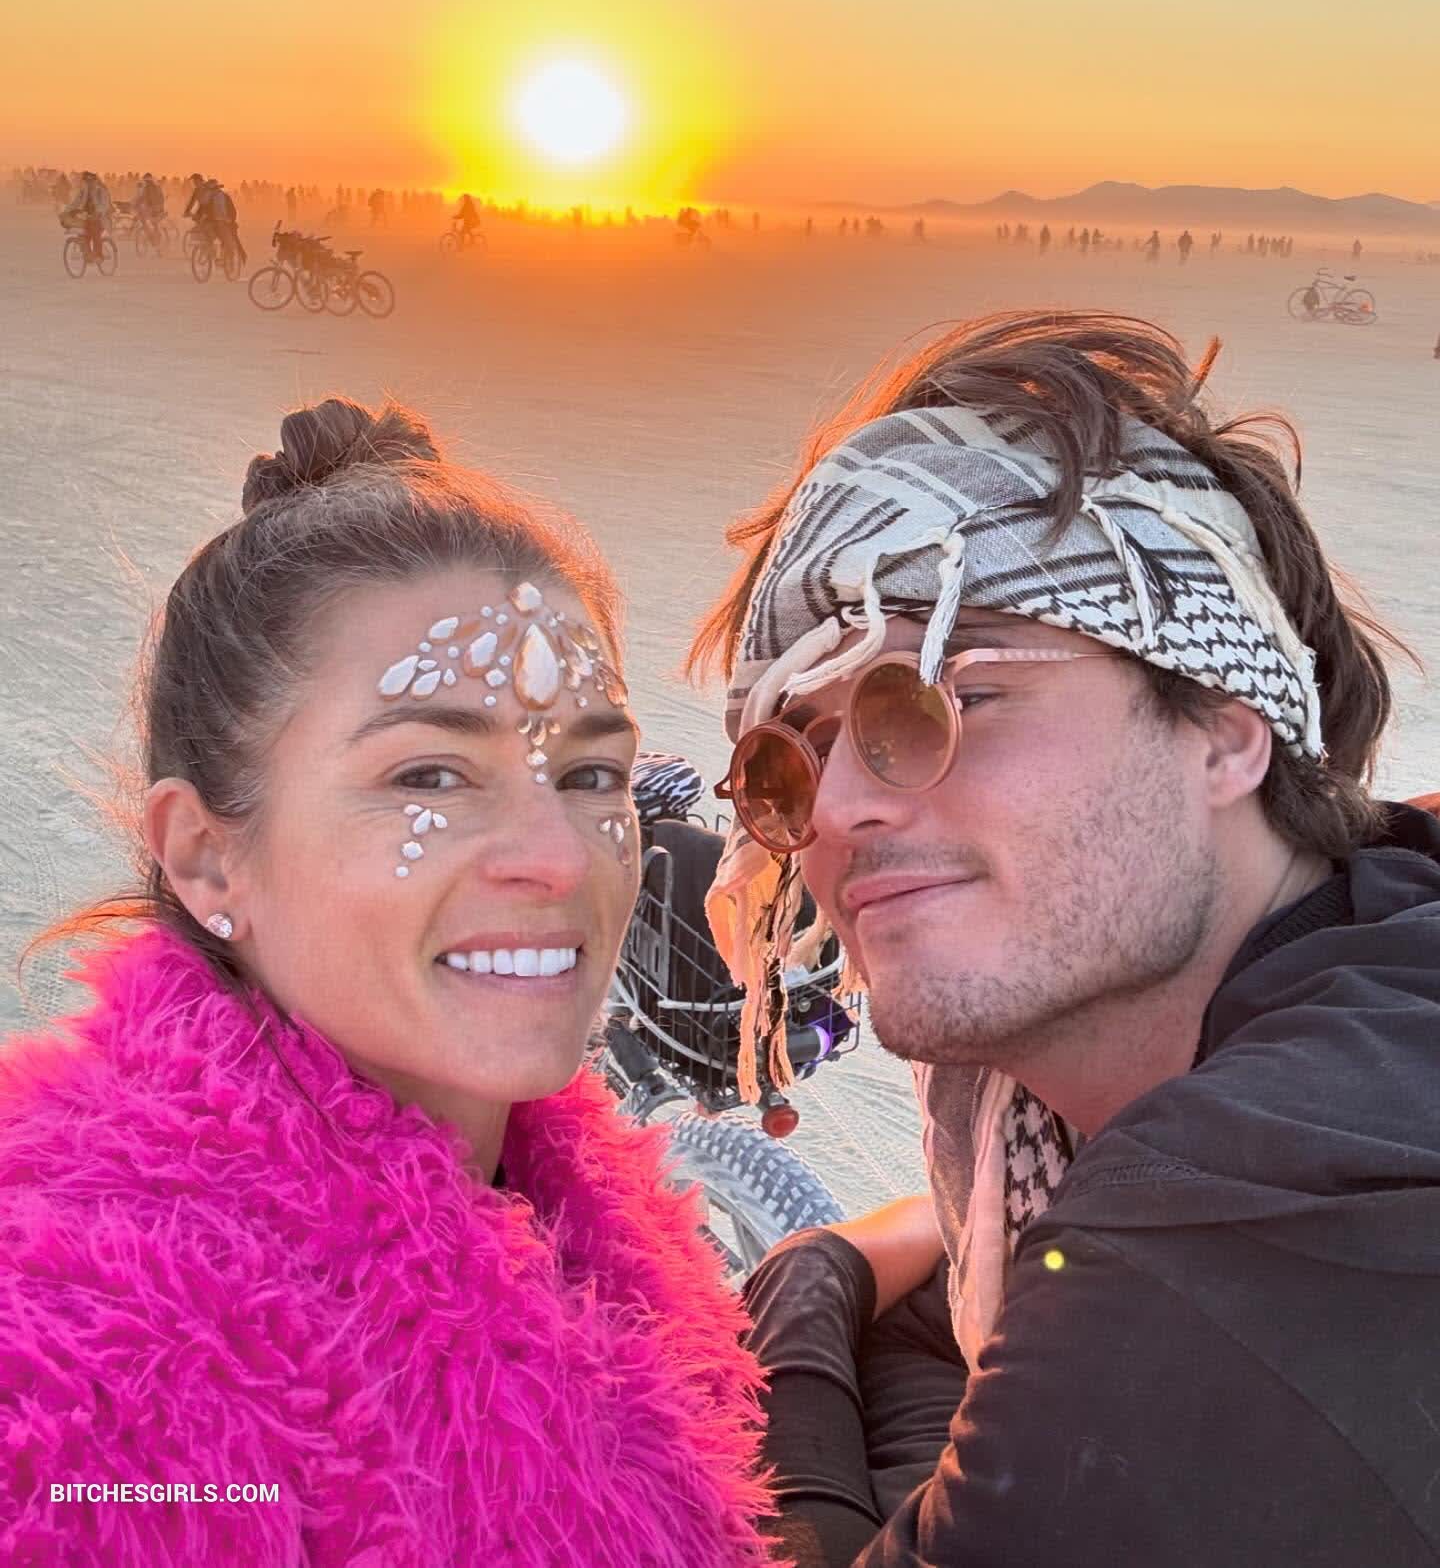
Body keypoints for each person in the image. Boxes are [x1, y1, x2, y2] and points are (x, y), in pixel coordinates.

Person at [689, 311, 1440, 1566]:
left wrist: (801, 1291)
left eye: (947, 696)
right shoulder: (1379, 934)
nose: (839, 806)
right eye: (793, 753)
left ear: (1225, 725)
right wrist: (848, 1263)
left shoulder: (1234, 1247)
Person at [0, 398, 776, 1565]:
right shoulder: (97, 1386)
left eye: (590, 774)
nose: (560, 859)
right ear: (207, 856)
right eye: (430, 774)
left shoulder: (591, 1225)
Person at [58, 169, 112, 261]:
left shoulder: (100, 190)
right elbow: (76, 202)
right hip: (88, 217)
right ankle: (88, 255)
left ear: (94, 180)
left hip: (102, 218)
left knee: (94, 232)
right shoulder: (84, 191)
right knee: (83, 234)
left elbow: (105, 204)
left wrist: (98, 213)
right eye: (86, 181)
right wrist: (66, 211)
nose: (88, 183)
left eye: (90, 181)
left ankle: (98, 255)